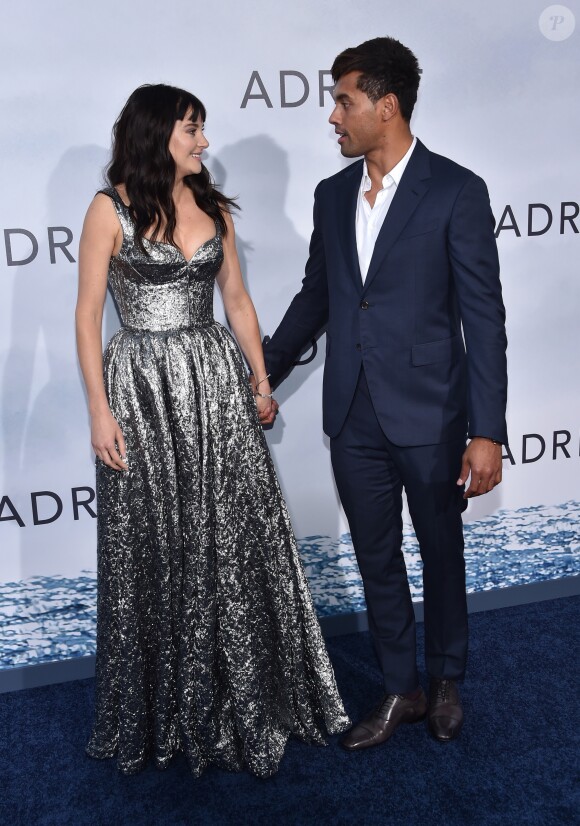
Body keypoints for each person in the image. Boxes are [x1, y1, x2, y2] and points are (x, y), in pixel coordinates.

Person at [75, 83, 348, 779]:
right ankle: (167, 707)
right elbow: (85, 317)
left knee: (232, 535)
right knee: (156, 542)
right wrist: (99, 410)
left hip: (215, 383)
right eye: (192, 129)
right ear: (155, 133)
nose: (203, 141)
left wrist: (261, 381)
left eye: (202, 129)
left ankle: (243, 696)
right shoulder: (108, 210)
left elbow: (238, 303)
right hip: (140, 388)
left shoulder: (214, 208)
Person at [263, 37, 508, 748]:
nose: (333, 116)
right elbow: (319, 298)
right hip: (352, 411)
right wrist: (263, 373)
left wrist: (486, 429)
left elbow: (483, 317)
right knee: (377, 556)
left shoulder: (457, 189)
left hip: (432, 411)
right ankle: (402, 688)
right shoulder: (332, 194)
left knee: (441, 550)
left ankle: (447, 680)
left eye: (344, 101)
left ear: (387, 106)